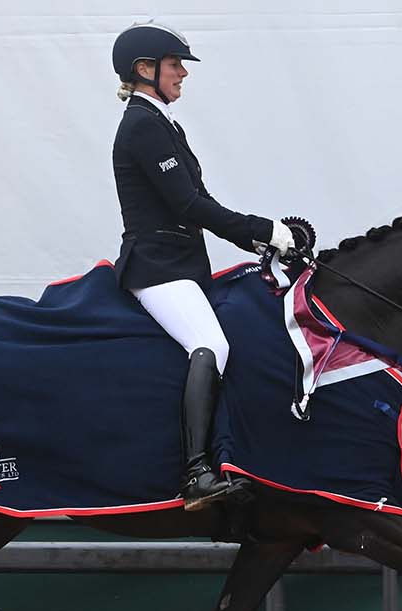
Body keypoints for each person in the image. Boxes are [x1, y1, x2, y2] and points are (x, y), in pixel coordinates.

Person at [110, 21, 296, 511]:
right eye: (175, 66)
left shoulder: (166, 123)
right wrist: (263, 228)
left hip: (182, 262)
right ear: (144, 69)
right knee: (209, 342)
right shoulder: (142, 126)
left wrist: (262, 240)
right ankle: (195, 473)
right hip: (156, 266)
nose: (182, 75)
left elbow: (200, 201)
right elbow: (189, 206)